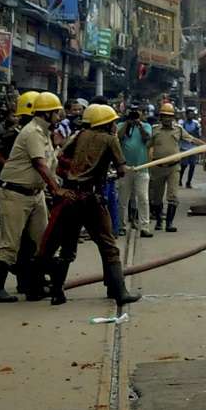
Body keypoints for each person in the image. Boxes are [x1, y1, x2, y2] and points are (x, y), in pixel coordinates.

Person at [41, 104, 140, 306]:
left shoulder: (79, 135)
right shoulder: (110, 139)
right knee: (108, 246)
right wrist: (121, 170)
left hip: (71, 197)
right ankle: (119, 292)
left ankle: (57, 293)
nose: (115, 125)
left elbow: (61, 158)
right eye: (113, 121)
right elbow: (121, 169)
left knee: (68, 247)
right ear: (105, 123)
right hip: (92, 199)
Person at [0, 92, 65, 303]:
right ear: (48, 113)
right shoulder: (33, 132)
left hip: (35, 193)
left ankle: (35, 283)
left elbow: (51, 164)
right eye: (56, 113)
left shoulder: (45, 133)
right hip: (15, 193)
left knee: (43, 241)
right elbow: (39, 164)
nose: (59, 117)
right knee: (11, 244)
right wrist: (56, 189)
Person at [148, 102, 204, 232]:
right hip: (158, 168)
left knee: (173, 196)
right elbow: (147, 145)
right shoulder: (154, 130)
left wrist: (204, 145)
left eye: (170, 116)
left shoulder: (178, 129)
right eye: (165, 116)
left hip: (173, 168)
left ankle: (169, 223)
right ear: (160, 117)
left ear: (173, 118)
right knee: (157, 198)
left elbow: (190, 139)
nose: (167, 119)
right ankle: (158, 222)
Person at [117, 108, 154, 238]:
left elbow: (147, 138)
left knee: (143, 198)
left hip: (142, 167)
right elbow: (118, 137)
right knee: (122, 199)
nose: (134, 116)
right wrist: (127, 124)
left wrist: (139, 125)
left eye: (136, 113)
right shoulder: (121, 126)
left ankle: (144, 227)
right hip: (125, 168)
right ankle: (121, 226)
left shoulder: (146, 126)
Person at [179, 107, 202, 189]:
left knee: (192, 165)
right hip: (184, 148)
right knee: (184, 165)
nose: (191, 115)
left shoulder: (196, 124)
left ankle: (188, 182)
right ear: (186, 115)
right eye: (190, 114)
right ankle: (180, 179)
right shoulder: (182, 124)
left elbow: (198, 135)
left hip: (193, 148)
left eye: (192, 114)